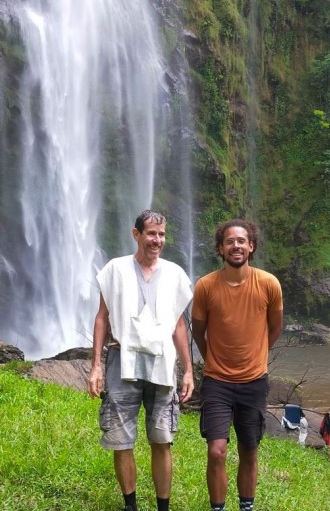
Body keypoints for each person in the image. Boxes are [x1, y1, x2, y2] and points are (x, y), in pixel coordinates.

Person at [88, 210, 194, 511]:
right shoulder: (115, 269)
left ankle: (163, 508)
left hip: (162, 363)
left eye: (161, 235)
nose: (157, 240)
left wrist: (188, 371)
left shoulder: (174, 274)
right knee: (121, 437)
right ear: (136, 235)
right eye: (151, 234)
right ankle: (130, 505)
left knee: (161, 438)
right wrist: (95, 365)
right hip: (122, 360)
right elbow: (102, 318)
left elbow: (178, 325)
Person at [191, 219, 283, 511]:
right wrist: (214, 362)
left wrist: (256, 356)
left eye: (242, 241)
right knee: (216, 451)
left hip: (254, 382)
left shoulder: (268, 284)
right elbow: (197, 331)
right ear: (221, 248)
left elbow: (275, 328)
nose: (236, 246)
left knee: (249, 449)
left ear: (251, 246)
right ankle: (217, 508)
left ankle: (246, 506)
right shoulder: (206, 285)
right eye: (229, 241)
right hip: (217, 382)